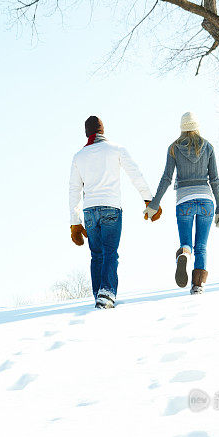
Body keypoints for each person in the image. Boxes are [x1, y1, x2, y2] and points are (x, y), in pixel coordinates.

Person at [69, 116, 161, 309]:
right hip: (111, 207)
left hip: (89, 211)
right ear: (102, 130)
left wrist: (75, 222)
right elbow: (135, 174)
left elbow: (74, 190)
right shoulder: (116, 149)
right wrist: (148, 200)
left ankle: (99, 294)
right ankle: (107, 293)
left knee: (96, 254)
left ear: (87, 133)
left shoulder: (79, 156)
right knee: (110, 252)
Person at [145, 112, 219, 294]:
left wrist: (154, 204)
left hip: (184, 200)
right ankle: (197, 286)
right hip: (206, 200)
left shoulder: (173, 148)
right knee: (201, 246)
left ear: (182, 128)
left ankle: (184, 255)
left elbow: (166, 178)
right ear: (197, 127)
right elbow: (215, 179)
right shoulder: (208, 147)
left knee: (186, 243)